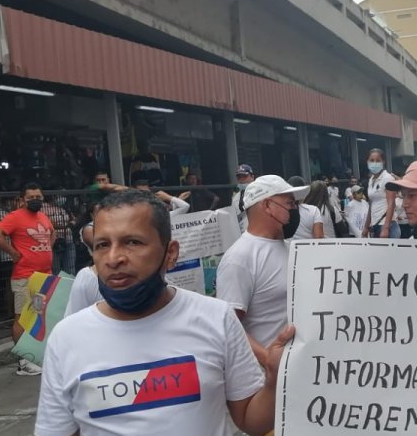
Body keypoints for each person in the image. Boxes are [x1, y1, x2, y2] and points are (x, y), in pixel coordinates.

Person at [35, 190, 292, 436]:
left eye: (132, 242)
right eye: (102, 245)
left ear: (170, 254)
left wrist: (274, 379)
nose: (113, 258)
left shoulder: (216, 318)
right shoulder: (66, 338)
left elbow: (251, 420)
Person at [216, 175, 307, 362]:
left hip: (297, 370)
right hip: (265, 380)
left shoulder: (291, 248)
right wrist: (268, 360)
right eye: (289, 204)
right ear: (267, 206)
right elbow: (228, 325)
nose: (295, 210)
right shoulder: (239, 258)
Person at [0, 181, 54, 375]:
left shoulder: (43, 216)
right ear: (22, 199)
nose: (35, 200)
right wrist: (13, 253)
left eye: (38, 197)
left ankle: (35, 355)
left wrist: (47, 249)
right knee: (23, 317)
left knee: (37, 317)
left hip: (43, 276)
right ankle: (24, 361)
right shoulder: (15, 217)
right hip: (25, 276)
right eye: (31, 197)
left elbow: (52, 233)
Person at [364, 149, 401, 239]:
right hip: (375, 225)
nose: (374, 163)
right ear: (367, 162)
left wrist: (386, 228)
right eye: (372, 160)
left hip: (388, 226)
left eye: (378, 160)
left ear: (383, 162)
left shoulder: (387, 178)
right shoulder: (371, 180)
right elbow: (371, 205)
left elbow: (391, 204)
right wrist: (366, 226)